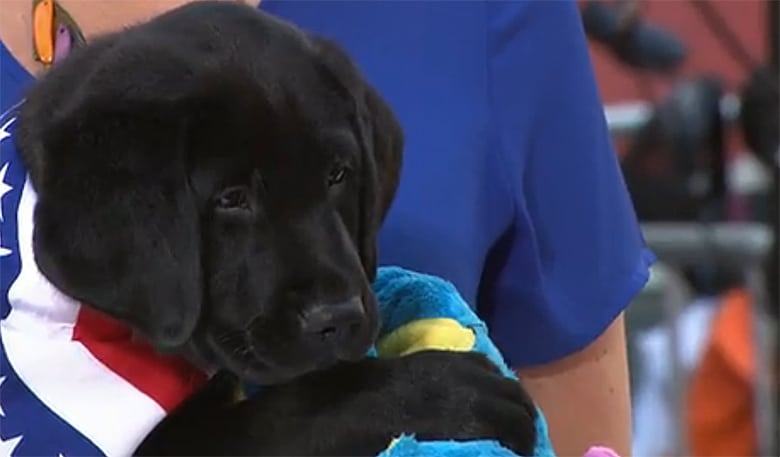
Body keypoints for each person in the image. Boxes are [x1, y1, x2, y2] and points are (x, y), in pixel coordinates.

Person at [0, 1, 653, 456]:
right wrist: (341, 416)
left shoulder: (479, 14)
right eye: (232, 198)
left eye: (338, 177)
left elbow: (567, 432)